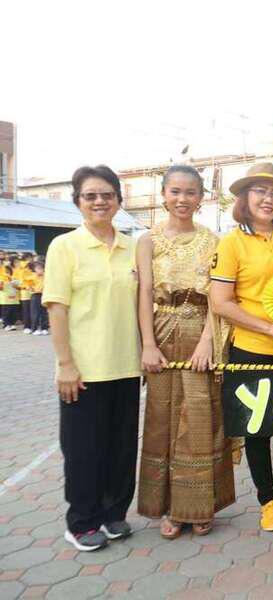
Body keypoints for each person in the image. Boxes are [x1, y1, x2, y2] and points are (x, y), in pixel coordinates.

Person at [209, 162, 273, 533]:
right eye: (259, 191)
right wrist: (271, 327)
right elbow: (221, 303)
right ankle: (267, 500)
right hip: (251, 350)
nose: (267, 199)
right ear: (244, 197)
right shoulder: (231, 243)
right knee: (258, 431)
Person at [43, 165, 142, 552]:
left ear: (118, 200)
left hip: (126, 365)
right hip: (83, 370)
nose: (100, 201)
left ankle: (113, 513)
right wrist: (65, 364)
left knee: (121, 447)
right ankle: (81, 522)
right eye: (90, 196)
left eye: (107, 195)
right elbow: (57, 308)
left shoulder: (133, 247)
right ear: (78, 202)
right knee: (83, 450)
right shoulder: (64, 246)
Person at [137, 165, 236, 539]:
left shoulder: (213, 241)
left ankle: (198, 507)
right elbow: (144, 293)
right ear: (163, 195)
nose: (182, 199)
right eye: (175, 191)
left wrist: (208, 341)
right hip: (161, 331)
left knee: (199, 419)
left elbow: (218, 296)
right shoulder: (147, 241)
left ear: (201, 197)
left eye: (191, 192)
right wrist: (147, 344)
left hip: (200, 332)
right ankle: (169, 509)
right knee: (161, 421)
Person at [29, 260, 49, 335]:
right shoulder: (31, 276)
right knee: (35, 313)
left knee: (44, 312)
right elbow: (27, 285)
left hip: (44, 295)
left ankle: (44, 328)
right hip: (36, 295)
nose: (40, 270)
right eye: (38, 268)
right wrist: (30, 288)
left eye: (41, 268)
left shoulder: (46, 276)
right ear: (34, 269)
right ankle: (34, 329)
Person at [15, 257, 33, 333]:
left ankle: (33, 326)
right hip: (25, 294)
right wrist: (24, 287)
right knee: (26, 311)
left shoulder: (33, 271)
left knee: (33, 311)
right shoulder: (20, 272)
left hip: (34, 294)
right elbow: (17, 283)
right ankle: (27, 326)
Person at [1, 264, 19, 330]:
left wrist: (13, 282)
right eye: (5, 271)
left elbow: (19, 287)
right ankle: (6, 325)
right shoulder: (1, 278)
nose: (7, 273)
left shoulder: (14, 278)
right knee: (6, 312)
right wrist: (1, 284)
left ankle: (12, 324)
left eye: (8, 271)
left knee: (13, 312)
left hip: (14, 298)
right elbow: (1, 288)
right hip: (5, 299)